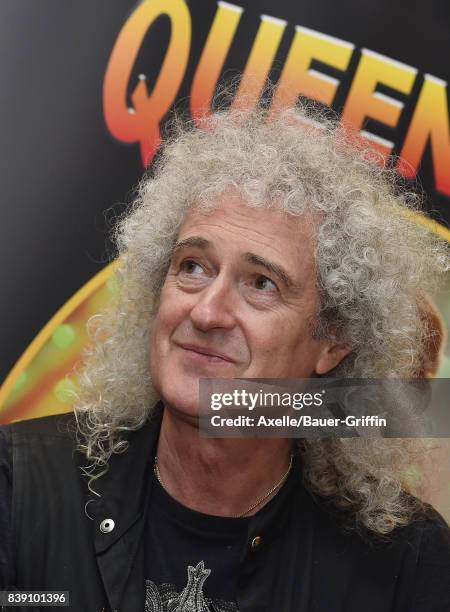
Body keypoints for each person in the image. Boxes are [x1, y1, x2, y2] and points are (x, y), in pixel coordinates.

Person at [1, 99, 450, 612]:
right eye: (192, 266)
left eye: (261, 283)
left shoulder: (402, 566)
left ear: (333, 341)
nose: (208, 312)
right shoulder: (20, 486)